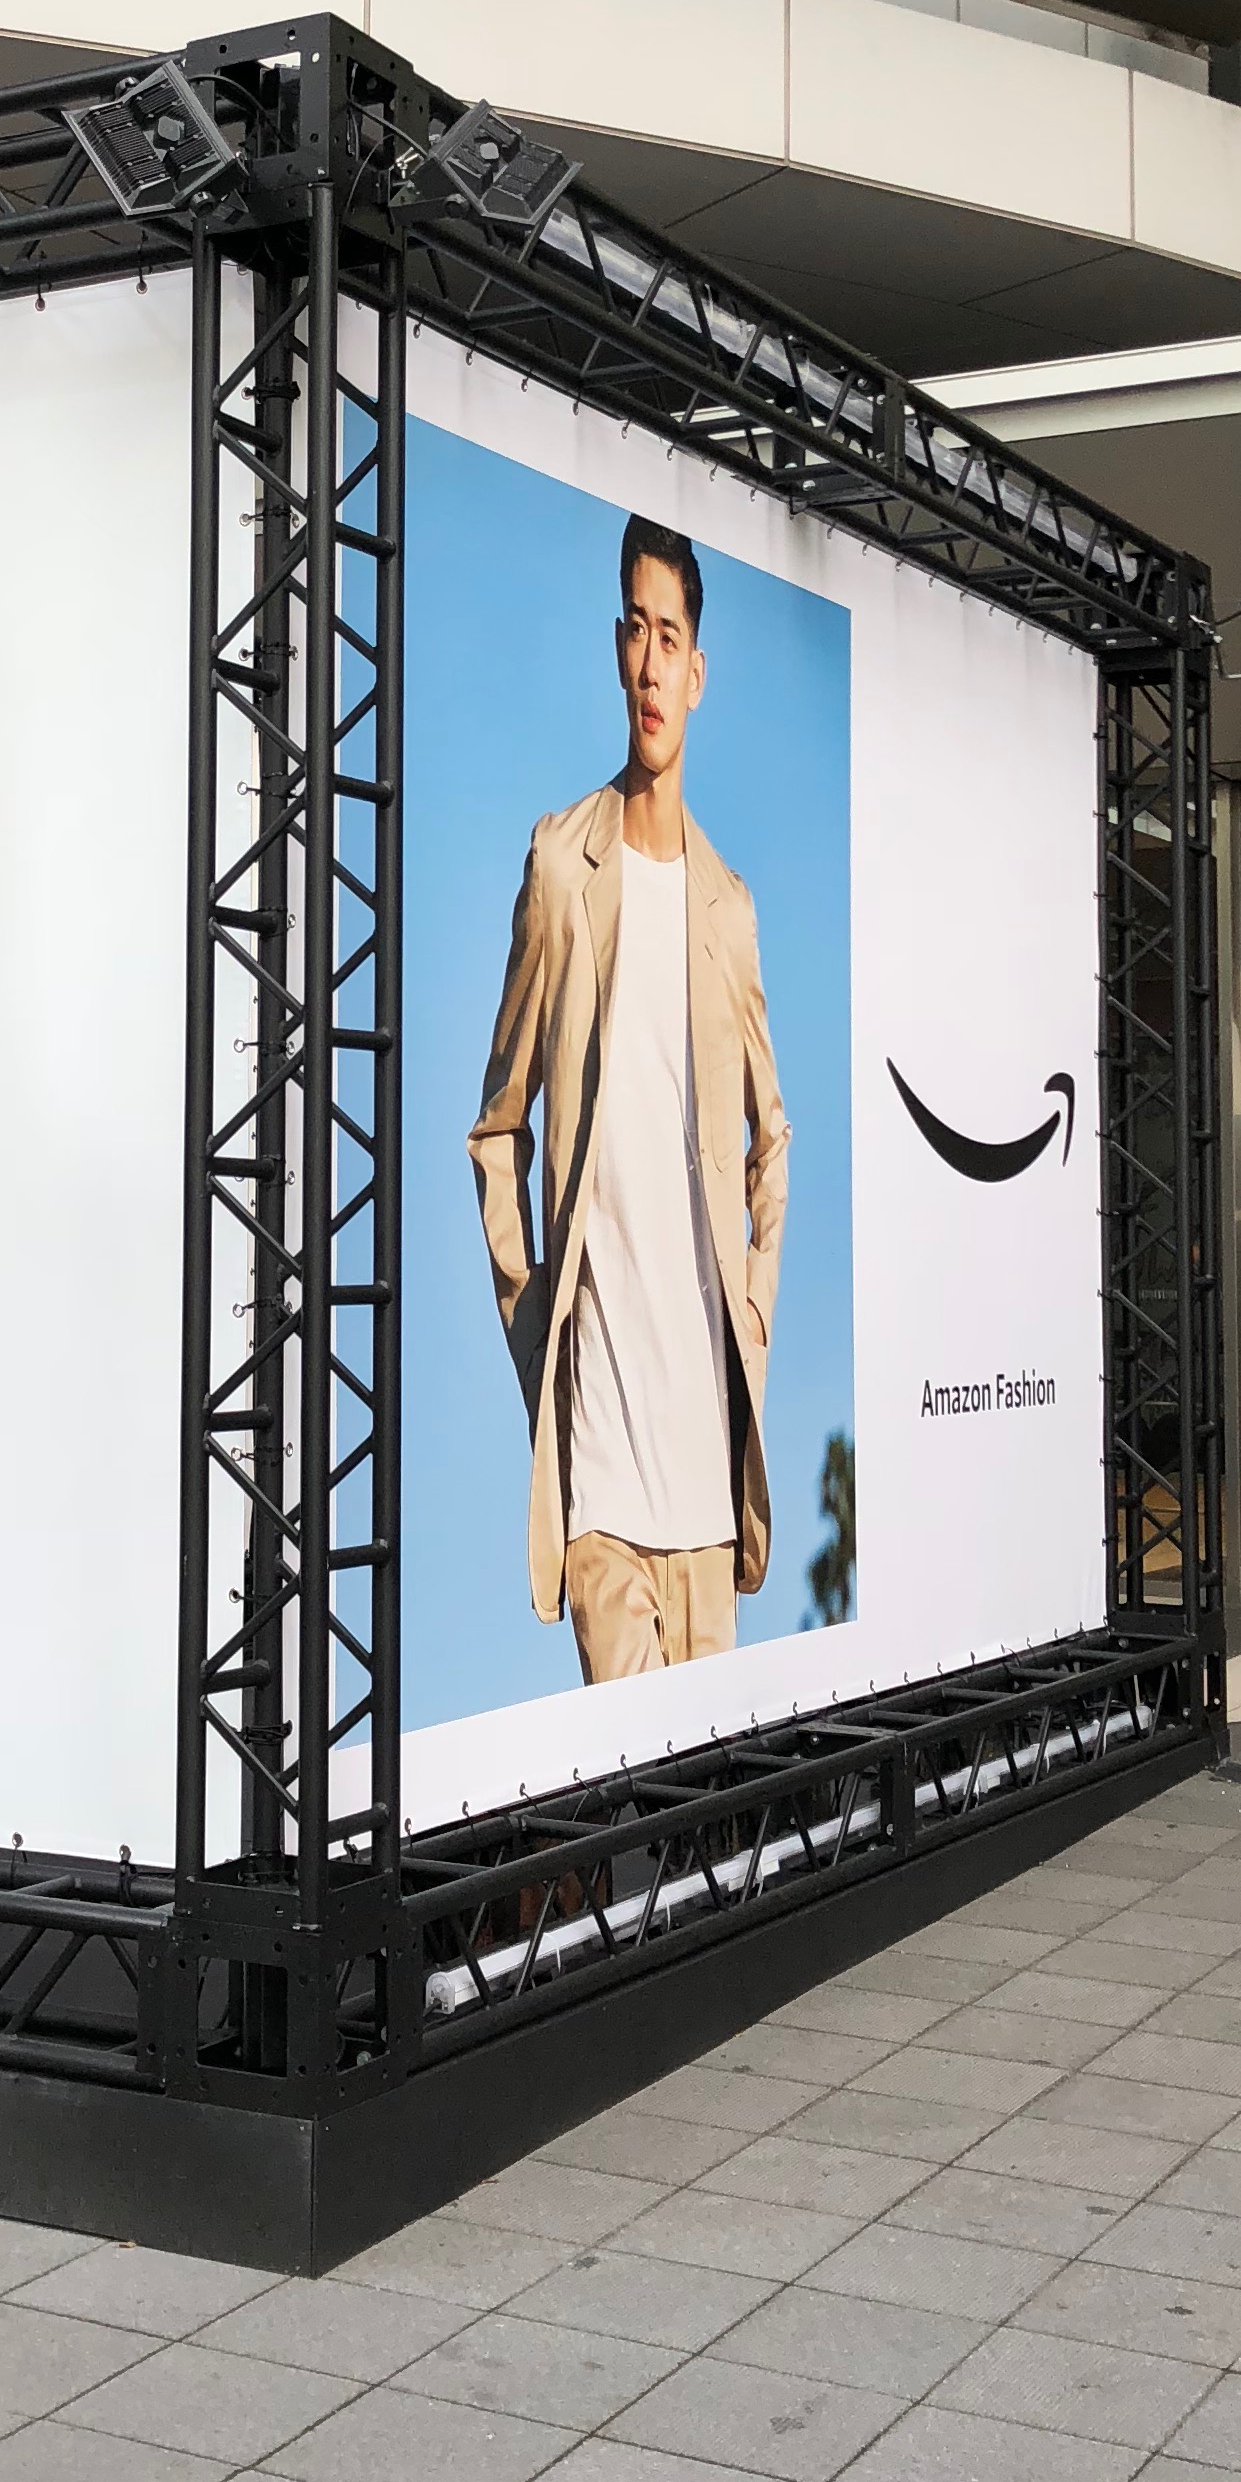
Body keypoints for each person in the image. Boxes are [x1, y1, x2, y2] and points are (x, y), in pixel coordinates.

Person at [469, 515, 791, 1685]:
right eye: (637, 633)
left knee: (714, 1798)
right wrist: (536, 1328)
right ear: (618, 650)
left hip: (706, 1486)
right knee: (629, 1781)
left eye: (672, 640)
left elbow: (773, 1136)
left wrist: (751, 1314)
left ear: (697, 672)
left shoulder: (727, 908)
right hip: (601, 1481)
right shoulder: (562, 866)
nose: (652, 665)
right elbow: (498, 1126)